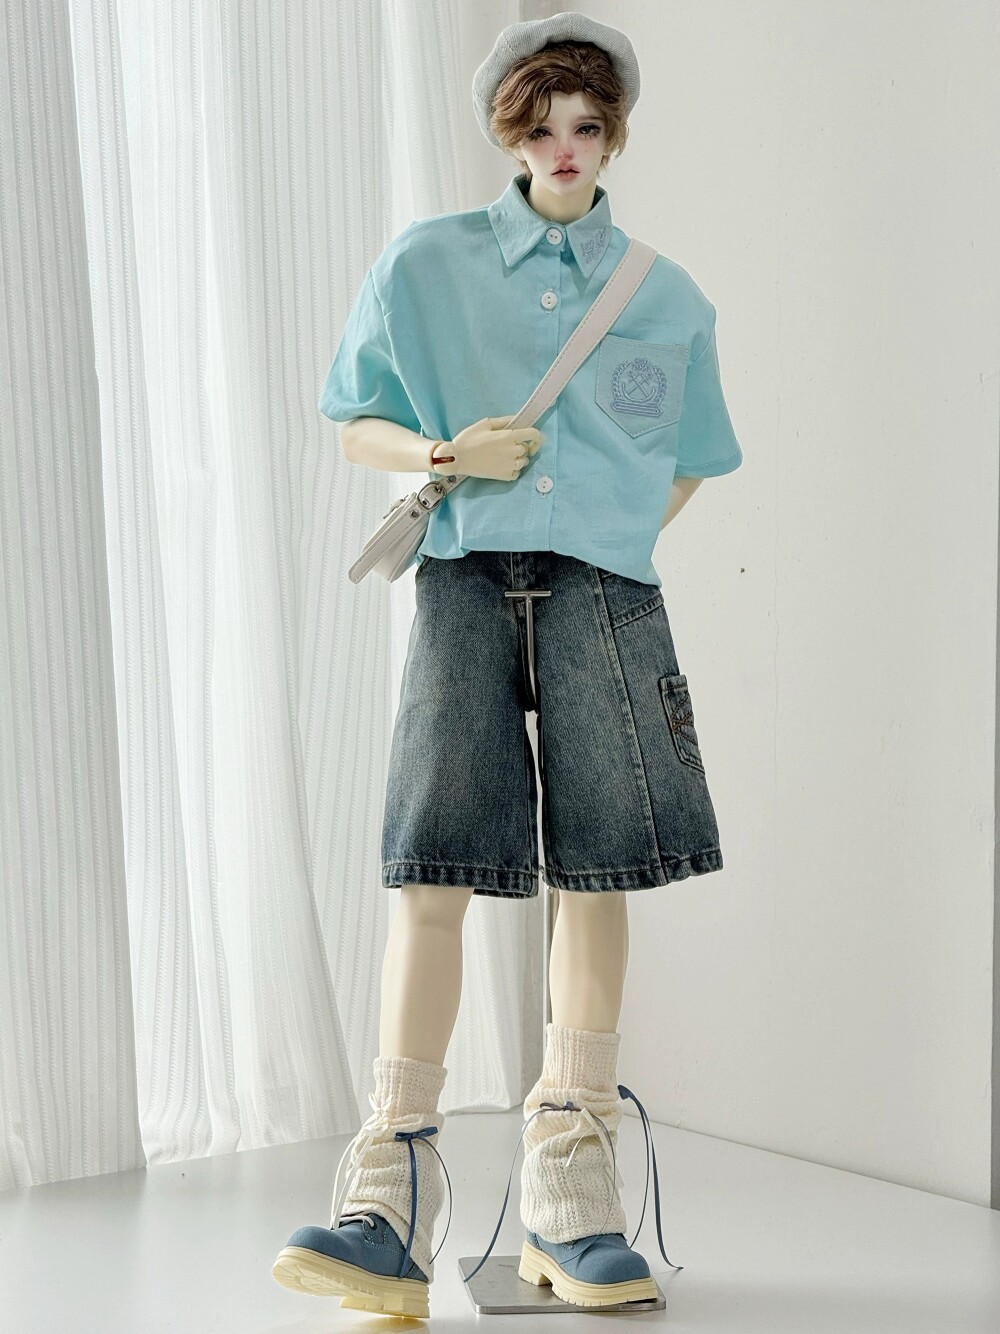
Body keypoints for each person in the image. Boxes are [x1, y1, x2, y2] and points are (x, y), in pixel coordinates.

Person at [272, 10, 743, 1319]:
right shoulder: (425, 264)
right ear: (510, 135)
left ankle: (571, 1183)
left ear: (615, 134)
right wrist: (441, 455)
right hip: (464, 585)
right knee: (434, 863)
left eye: (586, 125)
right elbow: (353, 415)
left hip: (605, 595)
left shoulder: (664, 293)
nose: (565, 147)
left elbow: (696, 454)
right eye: (541, 127)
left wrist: (615, 530)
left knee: (599, 867)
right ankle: (390, 1189)